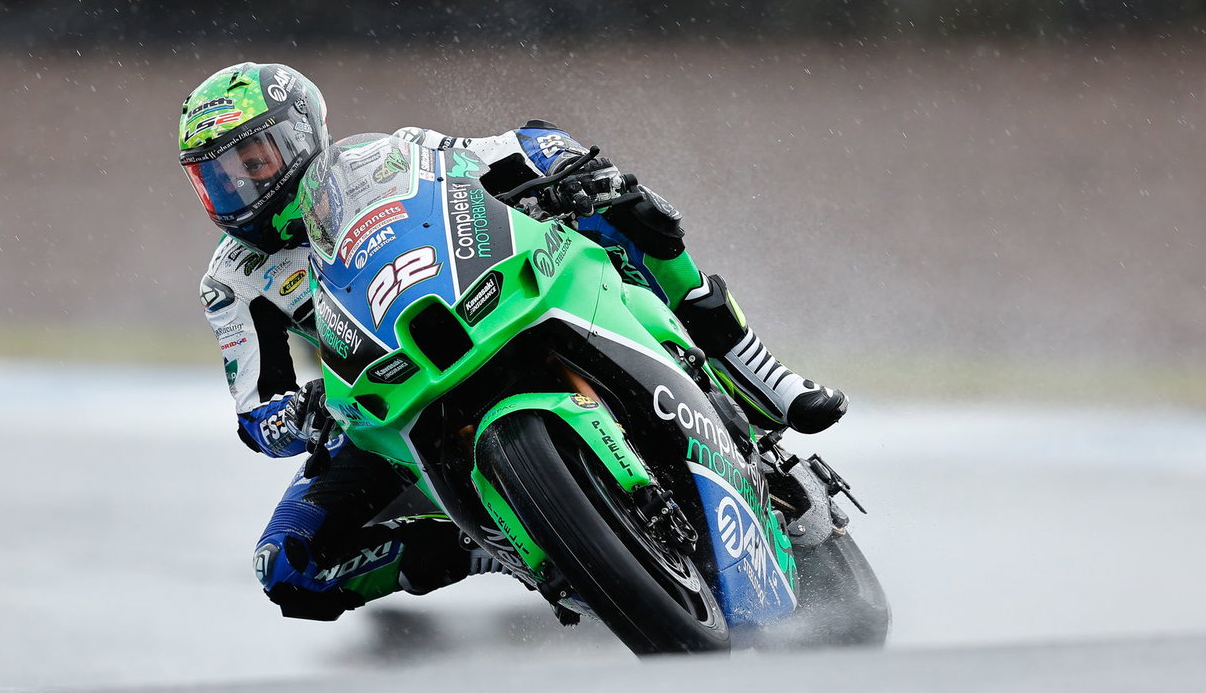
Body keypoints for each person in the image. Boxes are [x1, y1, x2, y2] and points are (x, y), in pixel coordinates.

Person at [179, 61, 848, 622]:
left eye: (252, 160)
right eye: (215, 175)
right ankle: (494, 546)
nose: (238, 186)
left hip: (493, 293)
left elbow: (504, 148)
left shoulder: (382, 156)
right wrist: (296, 417)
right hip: (383, 389)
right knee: (287, 568)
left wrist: (563, 166)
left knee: (630, 209)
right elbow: (253, 407)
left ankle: (750, 366)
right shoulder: (231, 279)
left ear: (300, 134)